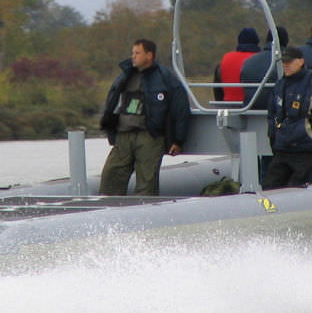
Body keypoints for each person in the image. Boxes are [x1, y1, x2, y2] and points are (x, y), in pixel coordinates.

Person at [99, 38, 191, 196]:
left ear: (149, 55)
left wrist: (178, 140)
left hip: (150, 137)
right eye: (132, 53)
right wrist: (110, 131)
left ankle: (144, 214)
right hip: (123, 135)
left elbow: (180, 109)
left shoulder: (165, 77)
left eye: (137, 53)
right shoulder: (124, 77)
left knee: (147, 182)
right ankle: (108, 213)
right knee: (111, 176)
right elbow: (111, 103)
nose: (133, 56)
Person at [262, 46, 312, 189]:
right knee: (269, 187)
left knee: (298, 187)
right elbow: (272, 114)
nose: (285, 65)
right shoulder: (280, 86)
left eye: (289, 62)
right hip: (283, 148)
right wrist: (274, 138)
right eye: (284, 62)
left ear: (301, 62)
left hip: (307, 148)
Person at [239, 25, 289, 109]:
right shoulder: (288, 63)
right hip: (278, 112)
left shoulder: (247, 62)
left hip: (250, 110)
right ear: (286, 42)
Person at [213, 26, 260, 102]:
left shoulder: (226, 58)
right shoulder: (259, 59)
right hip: (253, 106)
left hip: (228, 106)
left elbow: (218, 92)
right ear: (256, 42)